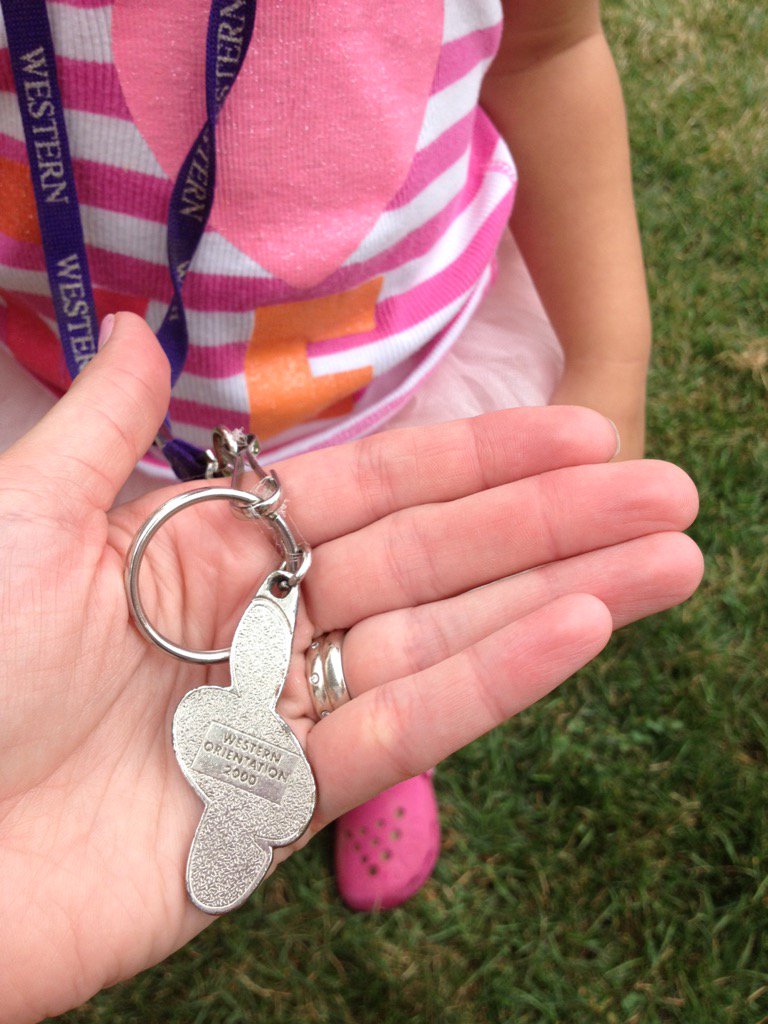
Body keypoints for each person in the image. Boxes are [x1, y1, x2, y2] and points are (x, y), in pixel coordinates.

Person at [0, 0, 659, 920]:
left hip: (396, 387)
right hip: (67, 390)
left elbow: (549, 53)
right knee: (120, 615)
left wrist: (609, 360)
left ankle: (367, 723)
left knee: (390, 613)